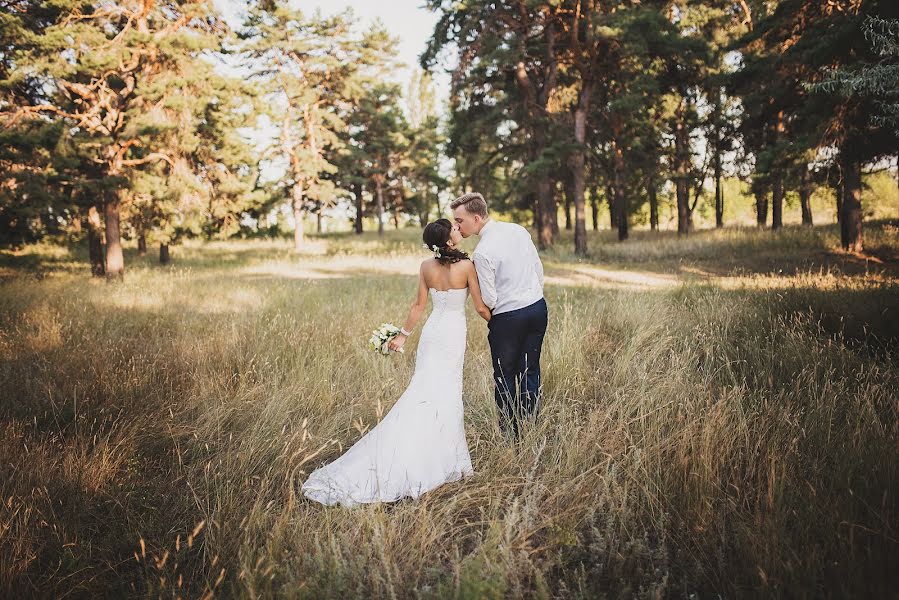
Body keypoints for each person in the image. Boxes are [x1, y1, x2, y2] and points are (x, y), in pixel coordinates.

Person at [302, 219, 492, 506]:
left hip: (431, 334)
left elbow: (418, 306)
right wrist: (501, 322)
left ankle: (437, 454)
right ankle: (443, 461)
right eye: (454, 229)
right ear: (449, 239)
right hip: (452, 335)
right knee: (447, 394)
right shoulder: (467, 266)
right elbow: (479, 306)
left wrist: (403, 336)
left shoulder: (426, 267)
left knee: (424, 392)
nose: (458, 230)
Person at [451, 192, 547, 439]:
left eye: (459, 220)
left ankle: (509, 434)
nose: (457, 226)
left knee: (504, 377)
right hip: (537, 308)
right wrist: (532, 295)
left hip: (508, 318)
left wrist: (495, 316)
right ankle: (530, 428)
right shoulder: (517, 230)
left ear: (476, 217)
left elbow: (490, 299)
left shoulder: (482, 252)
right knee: (530, 370)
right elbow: (538, 268)